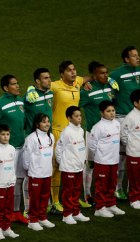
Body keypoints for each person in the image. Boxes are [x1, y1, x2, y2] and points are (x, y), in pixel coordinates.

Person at [50, 60, 91, 213]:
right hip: (59, 131)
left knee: (77, 163)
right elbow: (38, 86)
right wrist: (30, 89)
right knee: (57, 167)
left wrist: (92, 80)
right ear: (62, 74)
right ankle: (55, 201)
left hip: (75, 131)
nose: (73, 72)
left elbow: (87, 78)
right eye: (69, 70)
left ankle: (74, 197)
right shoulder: (55, 86)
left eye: (74, 70)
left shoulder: (78, 82)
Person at [0, 74, 28, 224]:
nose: (18, 86)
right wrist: (2, 134)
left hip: (22, 145)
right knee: (6, 181)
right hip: (8, 150)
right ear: (6, 88)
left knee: (19, 179)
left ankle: (16, 212)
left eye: (17, 83)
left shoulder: (20, 101)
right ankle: (4, 213)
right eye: (14, 84)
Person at [79, 61, 116, 205]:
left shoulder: (110, 87)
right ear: (94, 75)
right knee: (90, 164)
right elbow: (73, 106)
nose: (106, 75)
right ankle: (87, 194)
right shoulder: (87, 91)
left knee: (108, 163)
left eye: (107, 72)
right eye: (102, 73)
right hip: (93, 134)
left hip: (109, 133)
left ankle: (109, 193)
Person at [109, 46, 140, 200]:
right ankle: (117, 187)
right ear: (126, 59)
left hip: (137, 117)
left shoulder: (139, 72)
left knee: (136, 153)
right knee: (121, 155)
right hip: (122, 118)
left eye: (138, 55)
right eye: (134, 56)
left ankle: (135, 187)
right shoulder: (116, 74)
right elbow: (108, 93)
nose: (138, 58)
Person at [23, 68, 54, 216]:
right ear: (37, 81)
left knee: (46, 172)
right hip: (34, 139)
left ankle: (44, 207)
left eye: (49, 77)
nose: (49, 80)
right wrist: (29, 89)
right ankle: (27, 209)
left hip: (47, 137)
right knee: (29, 175)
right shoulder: (30, 98)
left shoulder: (50, 93)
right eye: (45, 78)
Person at [89, 100, 125, 218]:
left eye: (113, 111)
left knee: (112, 183)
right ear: (102, 113)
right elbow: (92, 145)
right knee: (101, 185)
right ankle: (99, 207)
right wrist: (100, 155)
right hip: (102, 161)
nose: (112, 113)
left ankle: (111, 204)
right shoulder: (98, 127)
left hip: (114, 160)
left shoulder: (117, 124)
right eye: (108, 111)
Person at [55, 106, 90, 224]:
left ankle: (76, 212)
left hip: (79, 167)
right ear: (69, 118)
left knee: (76, 190)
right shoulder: (67, 132)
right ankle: (67, 214)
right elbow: (59, 149)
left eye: (80, 115)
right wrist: (63, 162)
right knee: (68, 191)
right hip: (69, 167)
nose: (79, 118)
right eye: (76, 116)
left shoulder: (80, 130)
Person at [23, 113, 55, 231]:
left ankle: (42, 217)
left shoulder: (51, 136)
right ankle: (33, 220)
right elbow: (26, 157)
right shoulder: (31, 138)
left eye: (48, 121)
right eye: (44, 122)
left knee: (45, 196)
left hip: (47, 172)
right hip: (36, 173)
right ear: (37, 124)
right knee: (35, 197)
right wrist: (29, 169)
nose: (47, 124)